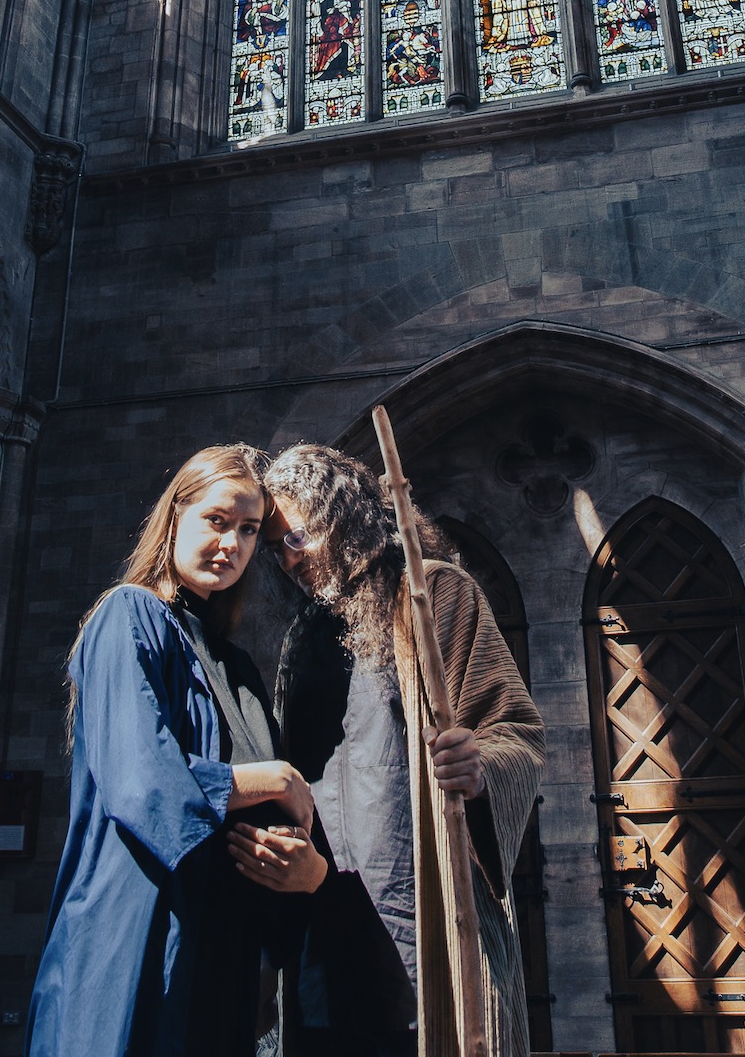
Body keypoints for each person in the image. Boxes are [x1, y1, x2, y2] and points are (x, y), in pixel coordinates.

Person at [229, 444, 544, 1057]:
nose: (288, 561)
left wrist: (477, 764)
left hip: (420, 918)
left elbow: (516, 731)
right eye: (276, 548)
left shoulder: (430, 597)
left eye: (298, 538)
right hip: (325, 923)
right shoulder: (304, 636)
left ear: (341, 515)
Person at [26, 445, 327, 1057]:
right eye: (217, 520)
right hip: (134, 924)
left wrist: (301, 867)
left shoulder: (237, 667)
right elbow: (142, 778)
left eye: (248, 531)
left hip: (222, 946)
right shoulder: (128, 616)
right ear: (175, 519)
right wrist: (275, 780)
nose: (233, 544)